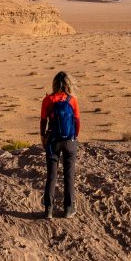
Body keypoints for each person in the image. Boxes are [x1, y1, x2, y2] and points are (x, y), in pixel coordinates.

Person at [40, 71, 80, 220]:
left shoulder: (48, 100)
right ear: (69, 83)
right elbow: (77, 122)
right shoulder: (72, 100)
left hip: (53, 141)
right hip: (70, 142)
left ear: (54, 83)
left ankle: (48, 211)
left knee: (51, 176)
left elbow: (43, 121)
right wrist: (74, 137)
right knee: (69, 175)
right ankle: (68, 209)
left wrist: (43, 137)